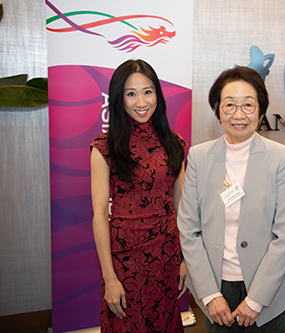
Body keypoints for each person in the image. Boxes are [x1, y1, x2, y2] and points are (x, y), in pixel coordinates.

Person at [177, 66, 285, 332]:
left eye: (248, 105)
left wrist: (257, 299)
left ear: (260, 108)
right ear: (217, 109)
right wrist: (210, 295)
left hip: (268, 287)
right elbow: (189, 230)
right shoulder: (199, 157)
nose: (239, 115)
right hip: (216, 286)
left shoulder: (280, 157)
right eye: (229, 105)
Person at [90, 59, 187, 332]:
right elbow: (99, 217)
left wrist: (186, 259)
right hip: (124, 260)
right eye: (131, 94)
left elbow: (182, 209)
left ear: (157, 94)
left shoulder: (175, 144)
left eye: (148, 91)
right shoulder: (104, 148)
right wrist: (109, 277)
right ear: (119, 99)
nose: (141, 102)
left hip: (167, 256)